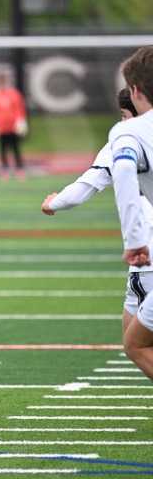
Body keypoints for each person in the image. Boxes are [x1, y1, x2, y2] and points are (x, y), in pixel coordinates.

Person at [41, 88, 153, 335]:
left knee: (136, 344)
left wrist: (53, 203)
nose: (122, 121)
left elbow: (85, 186)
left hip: (147, 257)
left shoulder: (126, 137)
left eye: (124, 114)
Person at [108, 45, 153, 380]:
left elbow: (122, 171)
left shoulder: (130, 130)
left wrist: (134, 240)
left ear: (135, 91)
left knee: (136, 343)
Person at [0, 72, 28, 181]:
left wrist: (21, 122)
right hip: (1, 128)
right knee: (2, 149)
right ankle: (4, 169)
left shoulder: (14, 94)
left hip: (13, 127)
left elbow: (19, 108)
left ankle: (19, 168)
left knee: (16, 148)